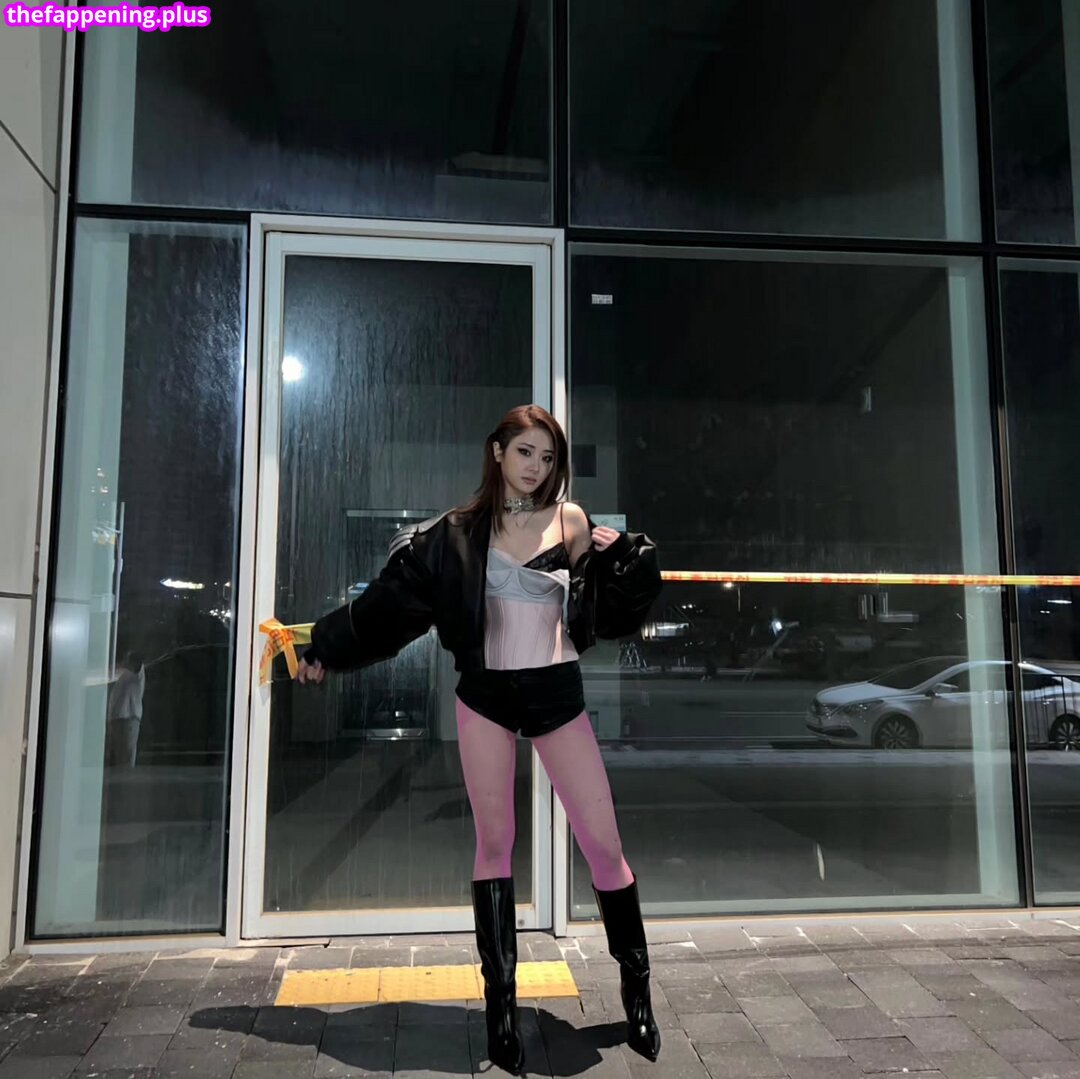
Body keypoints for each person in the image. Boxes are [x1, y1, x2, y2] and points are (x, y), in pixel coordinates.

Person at [297, 404, 663, 1072]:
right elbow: (386, 609)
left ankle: (637, 992)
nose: (536, 467)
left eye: (547, 457)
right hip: (486, 697)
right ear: (497, 451)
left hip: (556, 694)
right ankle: (500, 1010)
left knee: (604, 846)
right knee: (494, 844)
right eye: (525, 452)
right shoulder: (454, 534)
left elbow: (607, 616)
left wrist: (627, 565)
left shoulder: (570, 521)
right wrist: (323, 646)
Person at [105, 650, 145, 767]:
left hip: (129, 718)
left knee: (127, 754)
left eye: (128, 660)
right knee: (115, 754)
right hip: (115, 718)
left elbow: (137, 667)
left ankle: (126, 775)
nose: (125, 662)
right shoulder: (120, 675)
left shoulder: (136, 675)